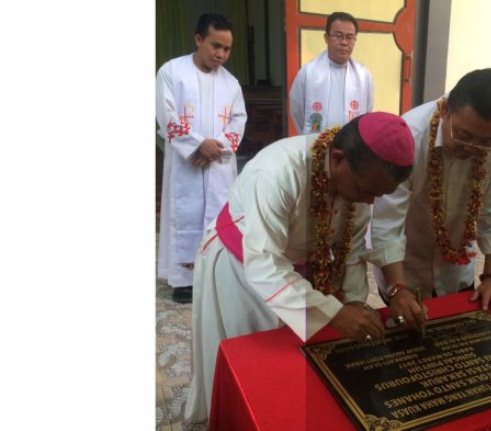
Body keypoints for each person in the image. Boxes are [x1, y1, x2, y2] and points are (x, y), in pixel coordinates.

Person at [182, 112, 415, 425]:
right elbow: (264, 263)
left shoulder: (360, 183)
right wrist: (333, 312)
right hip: (241, 268)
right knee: (252, 366)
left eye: (379, 195)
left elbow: (351, 251)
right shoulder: (277, 172)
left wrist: (355, 301)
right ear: (337, 158)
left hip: (297, 270)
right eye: (365, 190)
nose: (370, 201)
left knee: (292, 366)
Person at [367, 69, 491, 332]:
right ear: (446, 109)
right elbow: (386, 224)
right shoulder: (409, 136)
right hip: (403, 270)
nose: (472, 147)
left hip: (456, 273)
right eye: (464, 135)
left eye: (485, 141)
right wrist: (397, 289)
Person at [156, 13, 246, 304]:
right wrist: (196, 145)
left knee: (219, 218)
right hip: (187, 164)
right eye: (215, 46)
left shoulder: (231, 83)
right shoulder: (171, 72)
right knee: (186, 214)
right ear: (198, 40)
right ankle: (183, 281)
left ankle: (216, 276)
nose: (221, 54)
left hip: (218, 164)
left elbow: (238, 119)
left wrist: (214, 147)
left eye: (227, 49)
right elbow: (165, 114)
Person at [289, 11, 374, 134]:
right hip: (317, 144)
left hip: (350, 146)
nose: (344, 42)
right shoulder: (308, 73)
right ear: (326, 38)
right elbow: (297, 110)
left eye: (349, 37)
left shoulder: (364, 76)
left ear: (355, 40)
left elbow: (367, 110)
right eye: (338, 35)